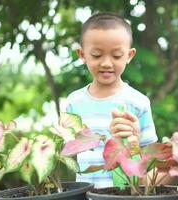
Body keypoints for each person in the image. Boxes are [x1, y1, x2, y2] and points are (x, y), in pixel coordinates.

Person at [65, 12, 158, 188]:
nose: (106, 63)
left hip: (127, 193)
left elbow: (150, 156)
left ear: (129, 55)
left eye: (116, 56)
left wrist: (134, 144)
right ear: (82, 54)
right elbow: (68, 150)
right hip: (86, 194)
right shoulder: (73, 102)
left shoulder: (139, 102)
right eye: (97, 55)